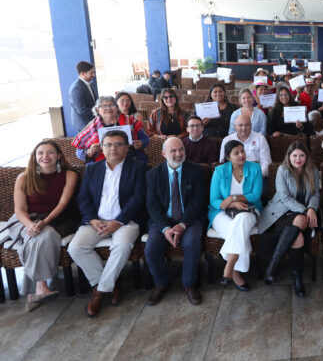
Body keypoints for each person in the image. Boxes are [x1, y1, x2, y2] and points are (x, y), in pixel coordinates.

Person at [68, 131, 146, 317]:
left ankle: (99, 292)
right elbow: (83, 199)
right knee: (75, 248)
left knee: (122, 245)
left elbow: (138, 198)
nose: (113, 148)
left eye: (118, 144)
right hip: (96, 221)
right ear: (101, 148)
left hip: (126, 221)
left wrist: (118, 222)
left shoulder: (138, 168)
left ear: (127, 147)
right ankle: (109, 282)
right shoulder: (92, 169)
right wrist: (92, 220)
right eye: (108, 144)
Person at [9, 140, 79, 312]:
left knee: (44, 234)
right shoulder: (24, 177)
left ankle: (33, 292)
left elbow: (62, 204)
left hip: (59, 218)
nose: (45, 156)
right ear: (35, 157)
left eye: (50, 152)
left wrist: (45, 221)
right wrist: (29, 224)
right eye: (40, 153)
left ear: (59, 156)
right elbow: (19, 209)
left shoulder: (70, 175)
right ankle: (41, 287)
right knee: (38, 235)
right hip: (25, 219)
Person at [144, 138, 206, 306]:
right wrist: (165, 228)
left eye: (181, 149)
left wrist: (182, 224)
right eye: (173, 151)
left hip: (189, 220)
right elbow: (152, 205)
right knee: (151, 248)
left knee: (192, 243)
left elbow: (198, 201)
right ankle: (161, 283)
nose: (179, 154)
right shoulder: (153, 174)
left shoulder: (196, 171)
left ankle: (189, 284)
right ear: (164, 154)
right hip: (163, 220)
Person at [258, 141, 319, 297]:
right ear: (289, 156)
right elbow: (285, 198)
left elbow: (315, 195)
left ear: (306, 157)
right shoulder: (283, 170)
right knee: (299, 230)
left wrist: (312, 208)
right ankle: (297, 278)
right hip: (282, 212)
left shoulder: (313, 170)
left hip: (305, 213)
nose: (298, 159)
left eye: (301, 155)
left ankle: (273, 266)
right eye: (294, 155)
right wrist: (306, 210)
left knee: (299, 226)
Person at [209, 141, 263, 291]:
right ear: (227, 157)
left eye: (242, 151)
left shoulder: (255, 168)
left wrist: (233, 199)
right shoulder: (219, 171)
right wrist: (232, 205)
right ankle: (235, 273)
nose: (241, 155)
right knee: (238, 232)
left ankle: (230, 263)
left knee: (241, 221)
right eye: (236, 153)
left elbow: (255, 195)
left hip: (249, 209)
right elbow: (214, 200)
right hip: (221, 212)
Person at [72, 95, 149, 163]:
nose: (108, 108)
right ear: (97, 110)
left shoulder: (129, 120)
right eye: (104, 106)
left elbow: (146, 139)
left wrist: (141, 143)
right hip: (101, 164)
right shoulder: (92, 126)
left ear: (117, 108)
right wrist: (89, 152)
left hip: (129, 160)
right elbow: (79, 152)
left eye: (112, 105)